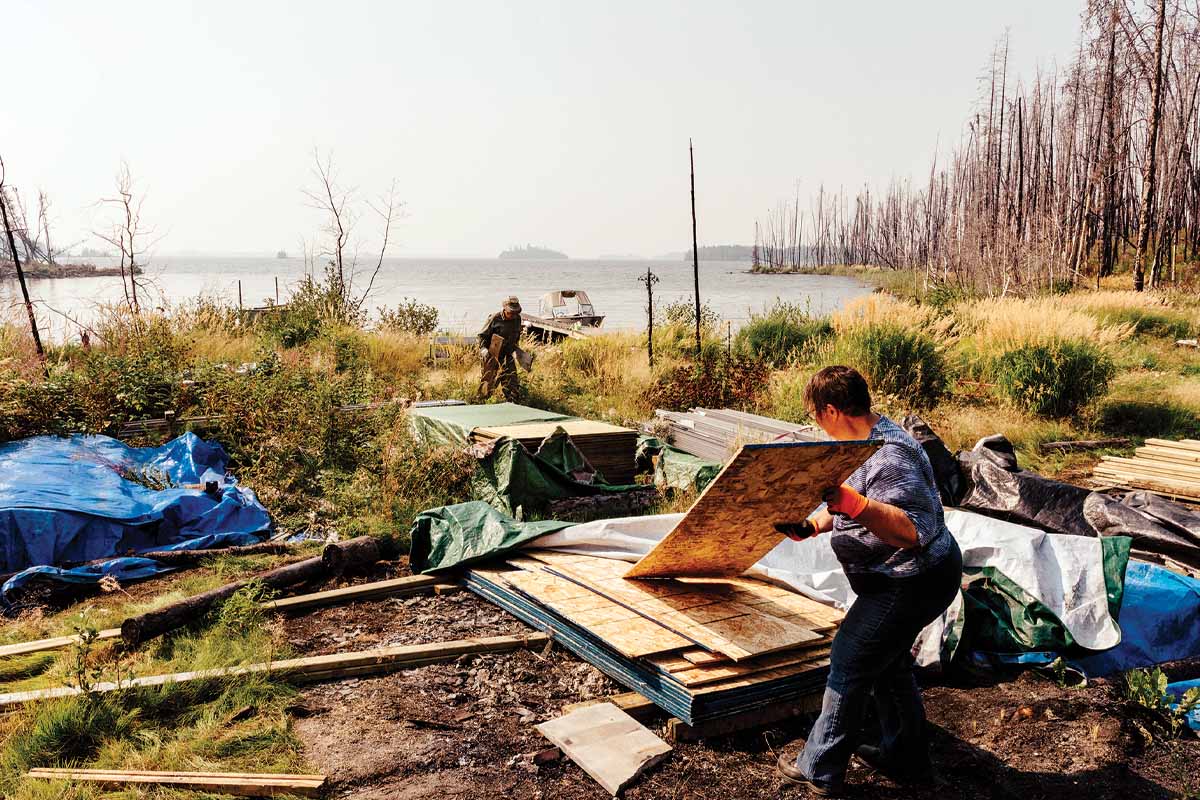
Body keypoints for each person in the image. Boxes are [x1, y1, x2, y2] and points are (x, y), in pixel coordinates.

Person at [774, 365, 963, 796]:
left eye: (816, 415)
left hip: (912, 580)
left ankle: (819, 768)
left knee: (851, 656)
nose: (817, 424)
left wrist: (853, 505)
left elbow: (910, 530)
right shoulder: (861, 443)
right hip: (901, 578)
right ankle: (906, 756)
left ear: (833, 409)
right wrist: (814, 525)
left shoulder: (890, 456)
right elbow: (845, 501)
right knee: (888, 661)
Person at [477, 296, 524, 400]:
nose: (513, 315)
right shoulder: (494, 318)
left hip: (508, 355)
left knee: (512, 385)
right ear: (504, 309)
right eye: (511, 312)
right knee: (487, 384)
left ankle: (512, 405)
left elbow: (516, 337)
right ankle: (482, 404)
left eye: (515, 312)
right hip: (491, 355)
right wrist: (483, 350)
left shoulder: (517, 318)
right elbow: (481, 336)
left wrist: (518, 351)